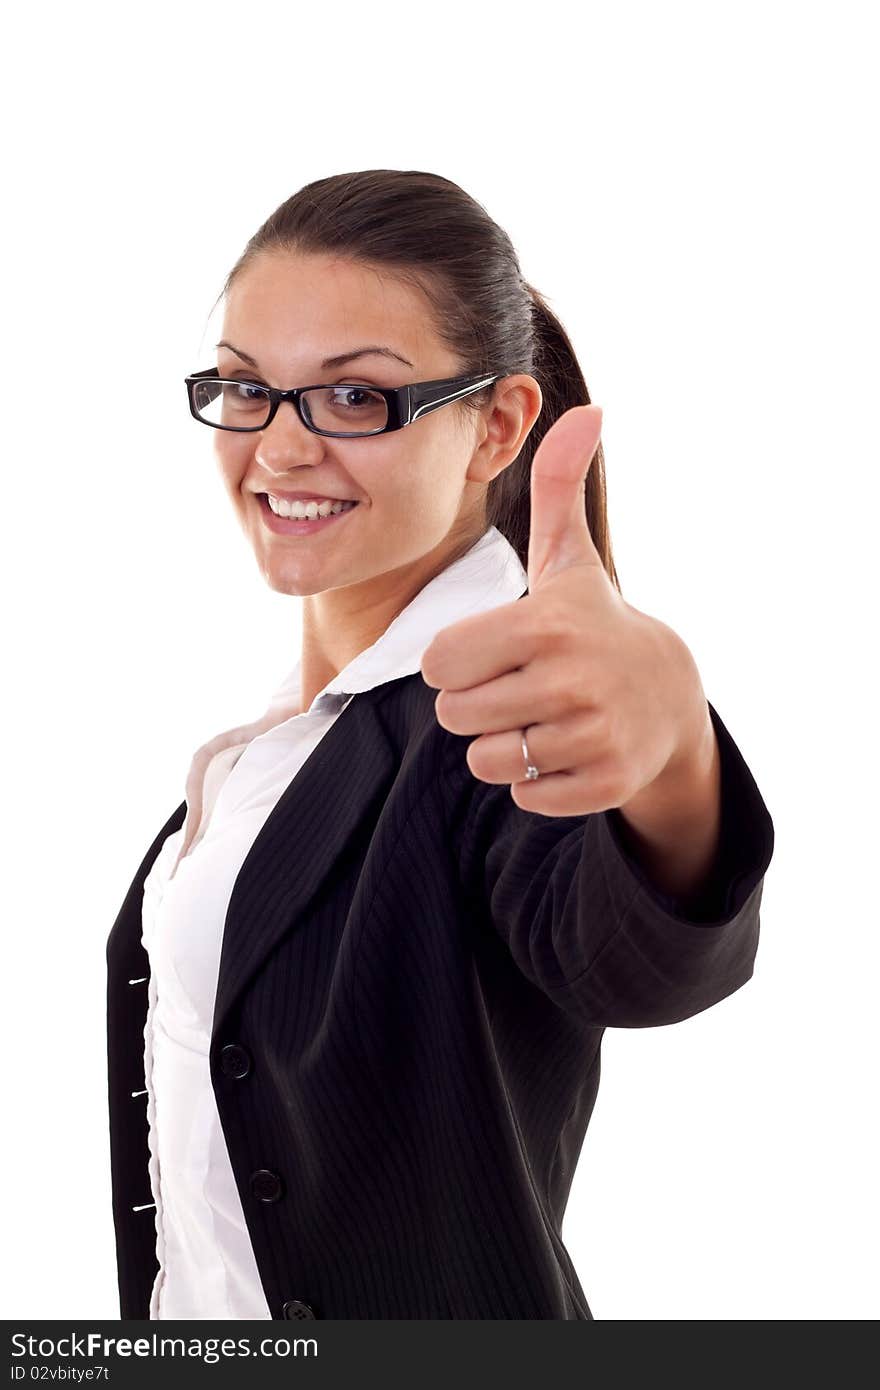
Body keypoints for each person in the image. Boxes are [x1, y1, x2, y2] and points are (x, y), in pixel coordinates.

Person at [105, 168, 775, 1321]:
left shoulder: (500, 726)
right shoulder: (273, 749)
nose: (278, 447)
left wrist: (673, 758)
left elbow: (636, 961)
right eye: (245, 387)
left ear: (498, 426)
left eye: (355, 400)